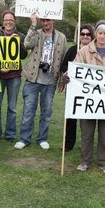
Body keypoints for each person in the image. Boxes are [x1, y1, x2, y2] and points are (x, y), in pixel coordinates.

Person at [72, 20, 105, 173]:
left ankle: (104, 162)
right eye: (100, 33)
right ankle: (85, 161)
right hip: (88, 98)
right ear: (96, 33)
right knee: (86, 131)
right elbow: (76, 68)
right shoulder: (84, 51)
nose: (102, 36)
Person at [14, 13, 67, 150]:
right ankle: (24, 139)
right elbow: (26, 44)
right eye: (43, 20)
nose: (45, 22)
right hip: (33, 78)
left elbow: (63, 59)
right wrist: (32, 24)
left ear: (53, 19)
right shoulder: (36, 33)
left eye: (48, 19)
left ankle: (42, 138)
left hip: (50, 80)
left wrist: (61, 79)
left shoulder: (61, 37)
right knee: (28, 110)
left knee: (47, 111)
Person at [0, 11, 28, 143]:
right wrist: (0, 68)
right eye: (6, 20)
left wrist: (17, 41)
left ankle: (10, 134)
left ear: (14, 22)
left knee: (12, 107)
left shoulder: (20, 36)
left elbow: (23, 55)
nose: (8, 22)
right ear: (2, 22)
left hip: (14, 76)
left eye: (11, 20)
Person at [59, 23, 95, 151]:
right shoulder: (72, 50)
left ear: (91, 36)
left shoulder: (94, 50)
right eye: (82, 34)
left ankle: (87, 146)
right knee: (71, 117)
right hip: (73, 88)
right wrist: (66, 73)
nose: (85, 36)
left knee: (87, 119)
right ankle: (68, 144)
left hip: (89, 90)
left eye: (88, 34)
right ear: (79, 36)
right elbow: (63, 66)